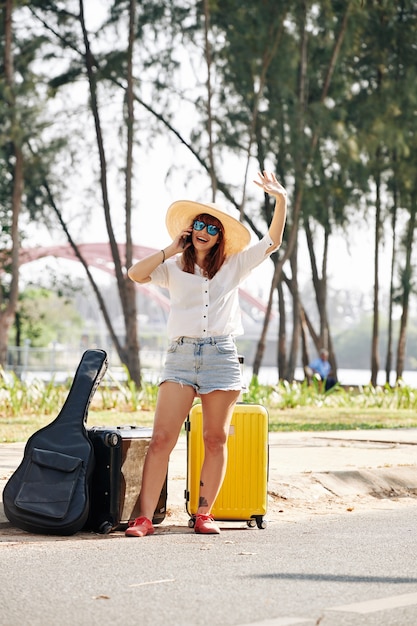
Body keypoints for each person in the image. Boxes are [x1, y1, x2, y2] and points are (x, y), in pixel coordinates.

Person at [126, 171, 287, 537]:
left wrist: (281, 200)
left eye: (212, 228)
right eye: (199, 224)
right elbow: (136, 274)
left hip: (221, 357)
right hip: (180, 356)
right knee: (161, 439)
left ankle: (203, 514)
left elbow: (272, 242)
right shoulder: (173, 268)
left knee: (216, 438)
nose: (204, 231)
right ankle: (144, 518)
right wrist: (171, 247)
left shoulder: (234, 266)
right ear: (189, 230)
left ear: (220, 238)